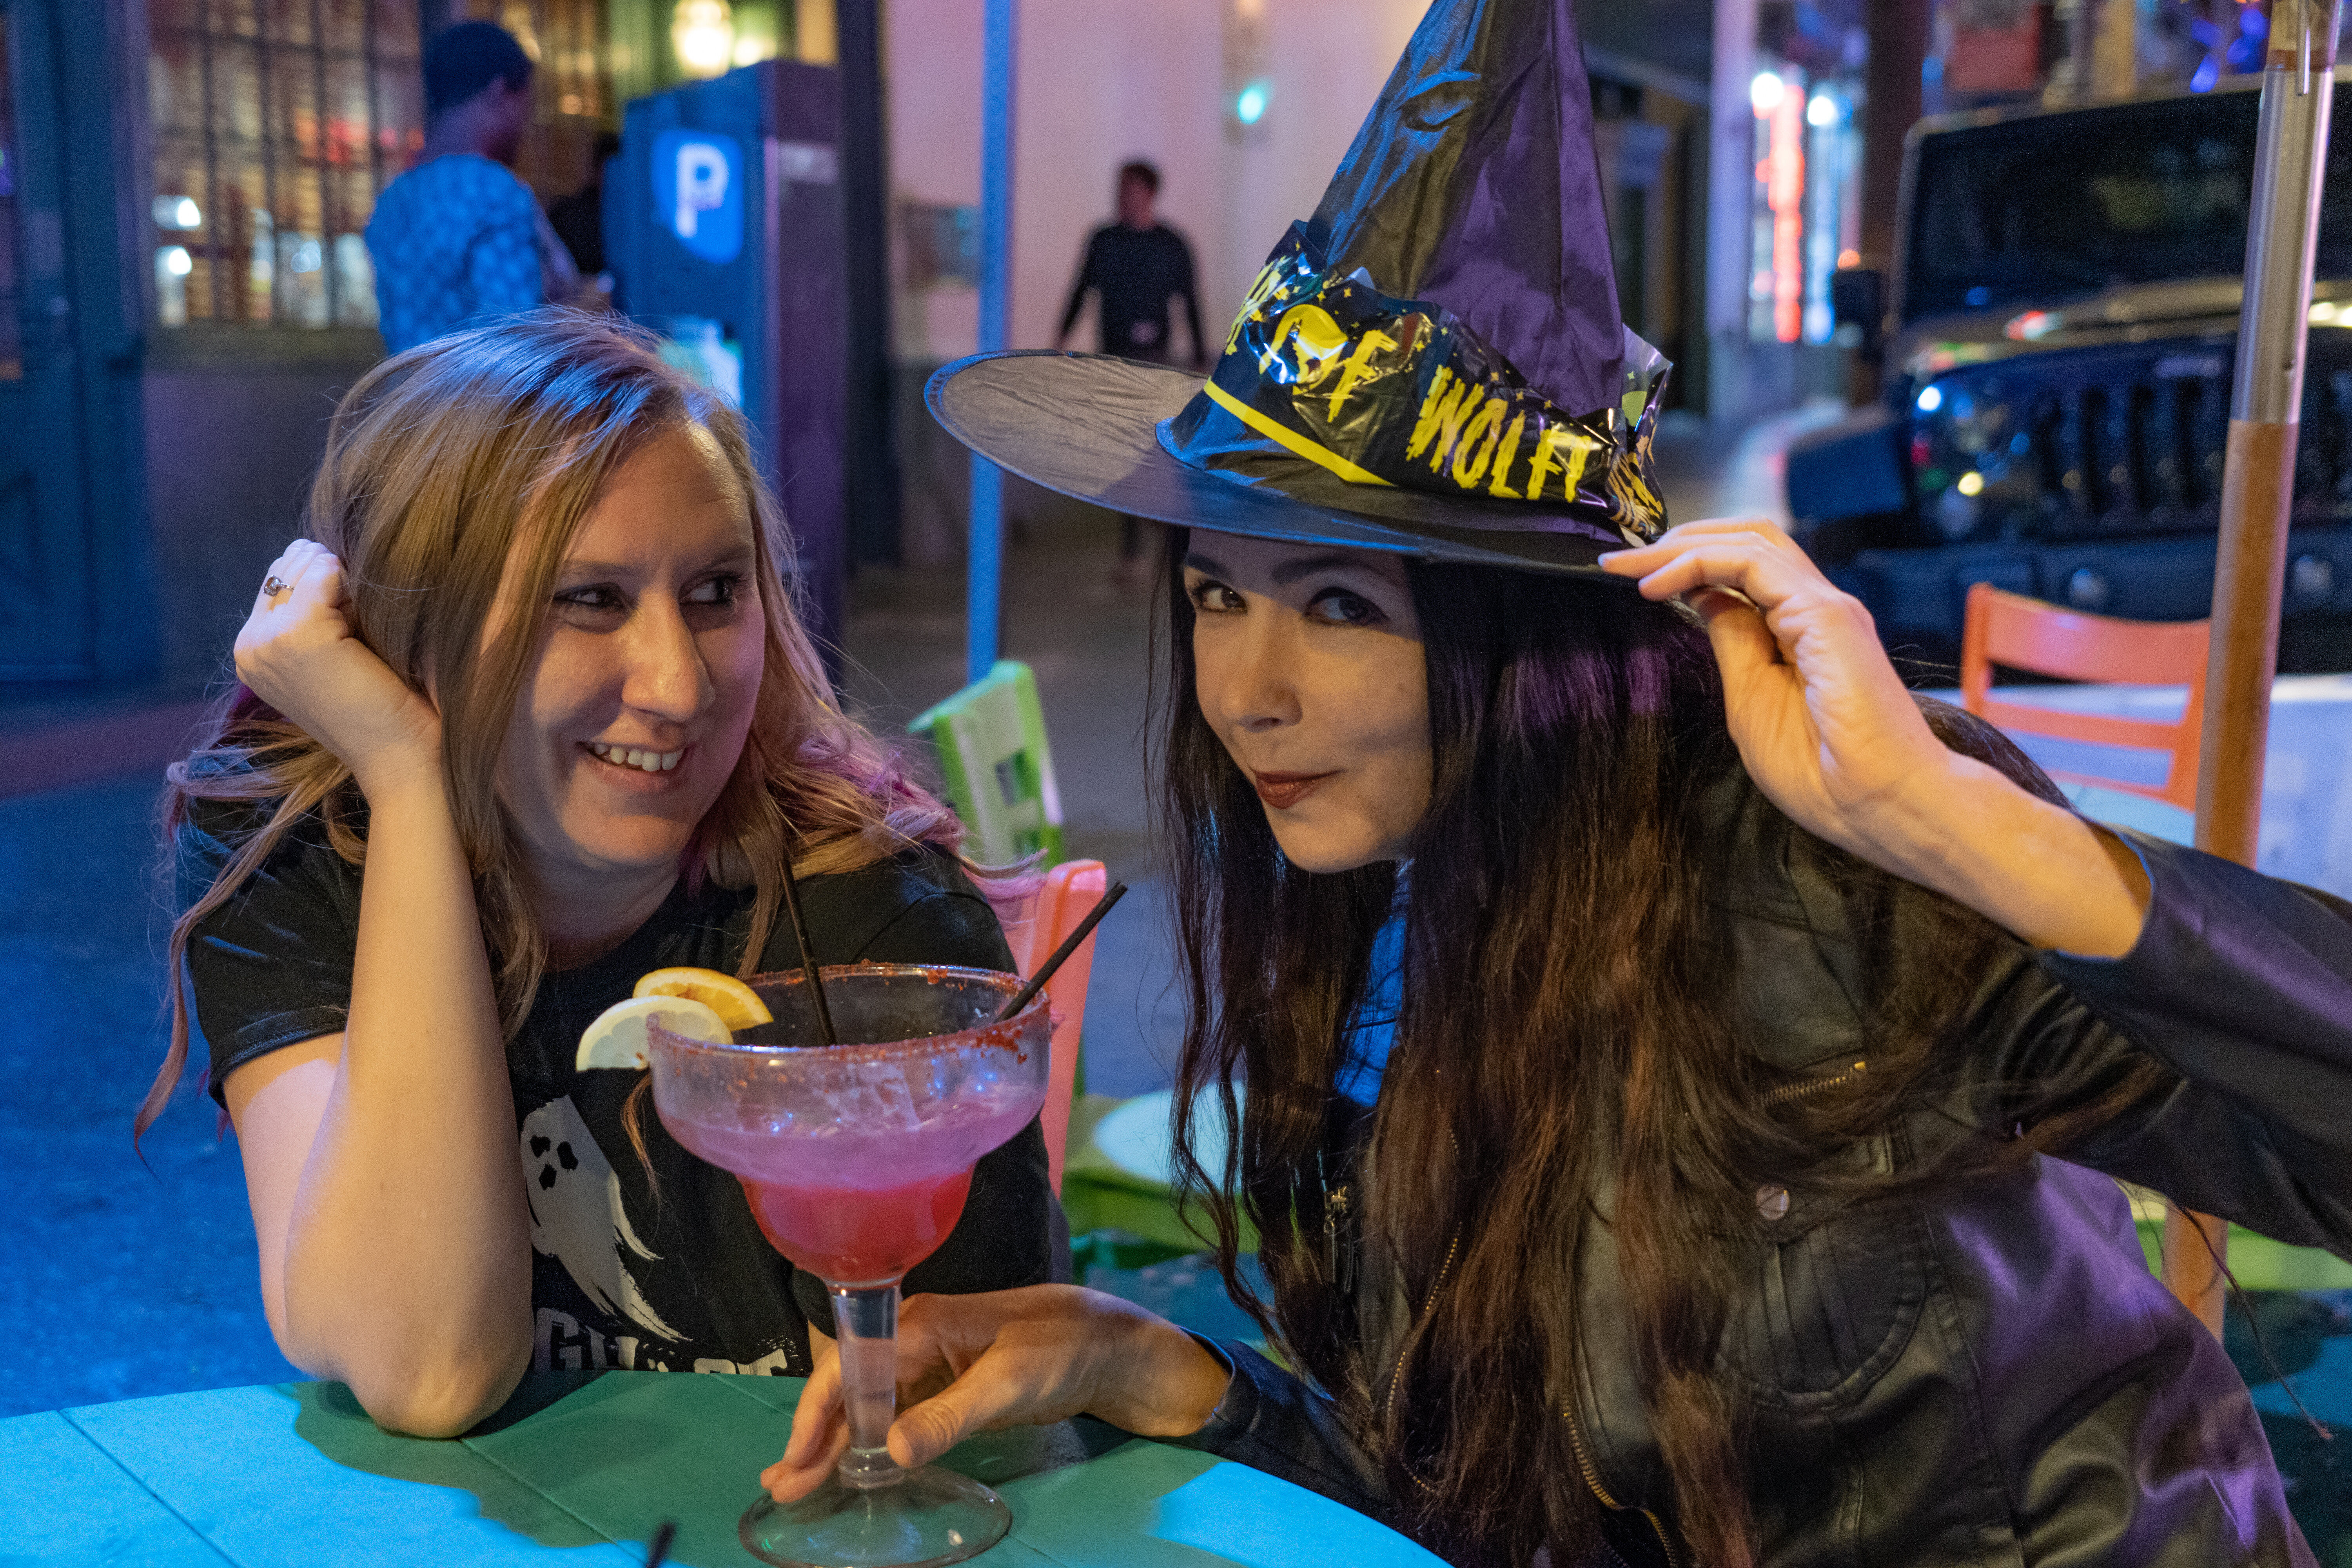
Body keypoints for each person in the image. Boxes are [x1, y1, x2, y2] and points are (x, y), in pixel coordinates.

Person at [779, 2, 2352, 1563]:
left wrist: (1950, 819)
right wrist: (1175, 1375)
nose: (1246, 694)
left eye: (1340, 607)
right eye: (1215, 595)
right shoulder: (1373, 927)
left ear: (1524, 643)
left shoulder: (1836, 882)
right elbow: (1502, 1501)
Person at [142, 312, 1053, 1438]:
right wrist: (409, 779)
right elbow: (427, 1368)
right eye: (589, 600)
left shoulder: (868, 905)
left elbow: (930, 1435)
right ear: (410, 628)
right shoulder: (299, 850)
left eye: (717, 592)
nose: (676, 686)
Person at [365, 22, 585, 354]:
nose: (523, 126)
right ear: (499, 94)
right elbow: (513, 336)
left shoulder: (395, 200)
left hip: (412, 401)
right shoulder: (492, 190)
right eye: (524, 106)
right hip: (483, 404)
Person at [1053, 160, 1206, 583]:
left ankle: (1174, 541)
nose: (1124, 198)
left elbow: (1190, 302)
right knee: (1122, 455)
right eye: (1121, 190)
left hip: (1155, 362)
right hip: (1113, 361)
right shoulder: (1104, 242)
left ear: (1150, 194)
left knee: (1159, 456)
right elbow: (1081, 290)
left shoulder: (1172, 245)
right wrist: (1060, 338)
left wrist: (1197, 358)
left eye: (1133, 190)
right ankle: (1131, 550)